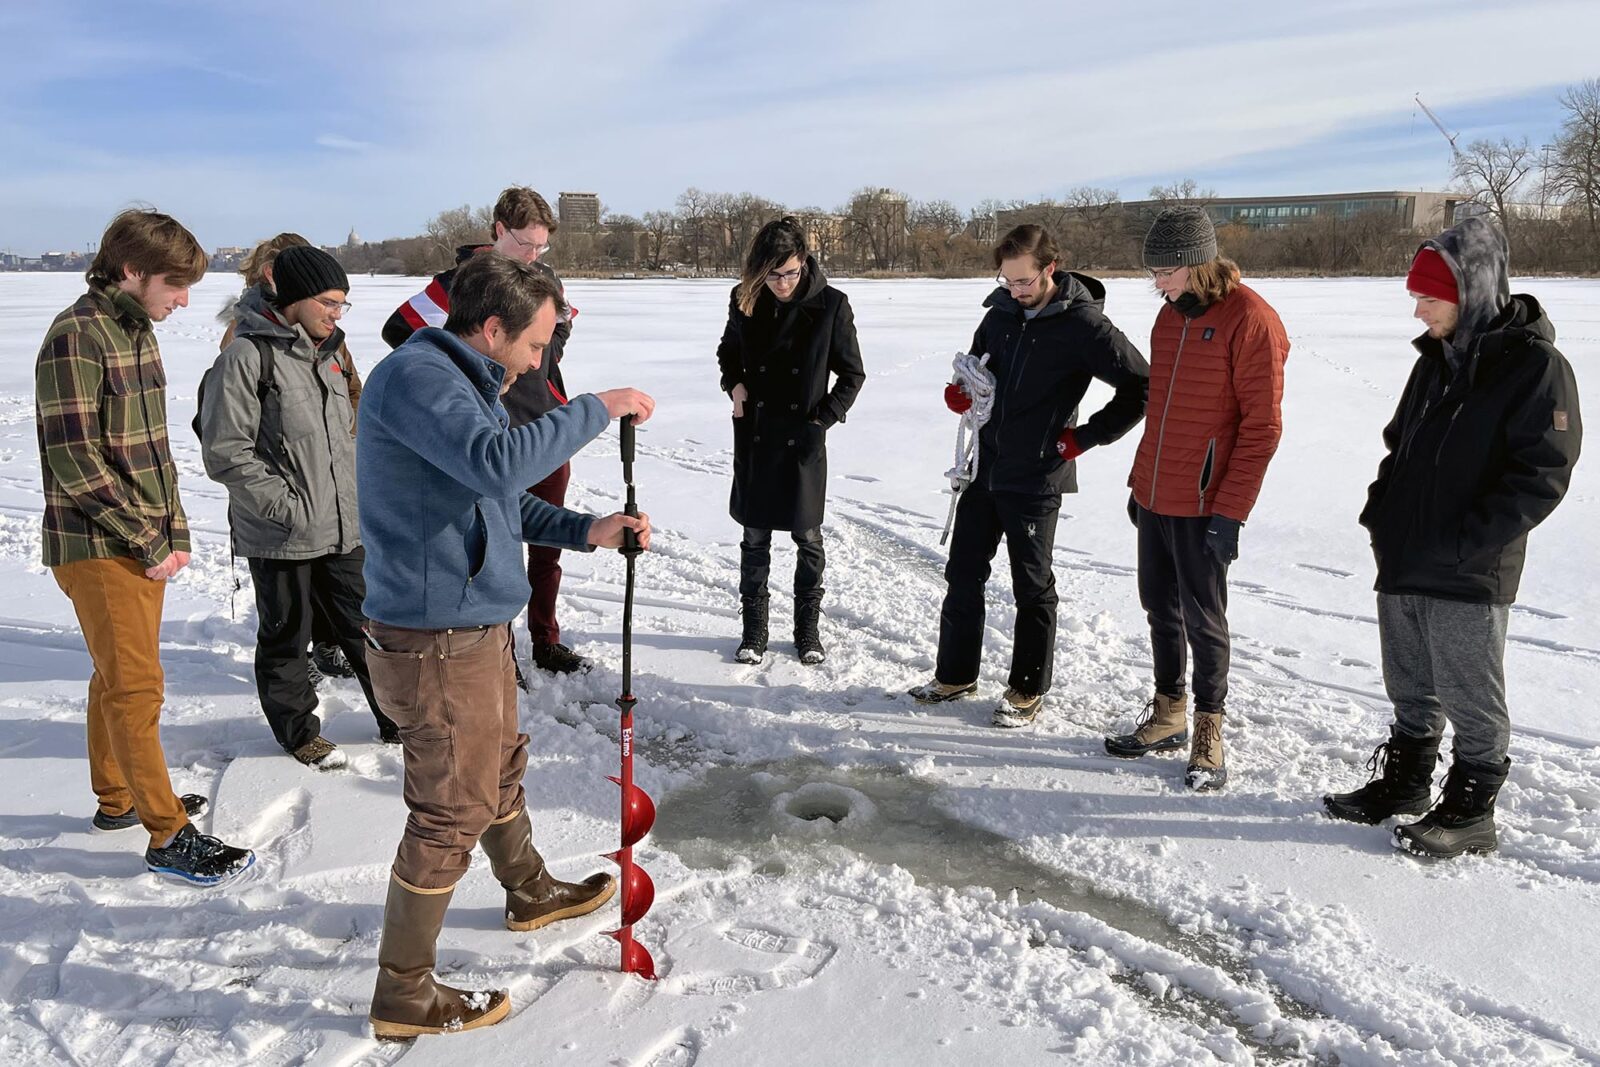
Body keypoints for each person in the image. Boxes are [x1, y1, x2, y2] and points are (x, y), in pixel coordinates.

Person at [358, 251, 654, 1039]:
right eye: (534, 347)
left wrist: (583, 530)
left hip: (472, 623)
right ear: (492, 329)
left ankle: (527, 888)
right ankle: (403, 992)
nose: (539, 363)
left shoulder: (463, 380)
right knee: (450, 808)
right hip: (432, 637)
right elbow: (496, 460)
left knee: (496, 765)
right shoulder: (419, 379)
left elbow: (493, 491)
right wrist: (594, 407)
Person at [1324, 216, 1581, 857]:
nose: (1418, 311)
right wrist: (1382, 513)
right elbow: (1400, 446)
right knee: (1409, 681)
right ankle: (1406, 784)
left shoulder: (1536, 367)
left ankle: (1471, 812)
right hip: (1407, 551)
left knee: (1470, 690)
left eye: (1429, 298)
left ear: (1472, 293)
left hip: (1472, 564)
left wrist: (1470, 539)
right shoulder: (1435, 363)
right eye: (1416, 297)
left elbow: (1542, 472)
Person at [35, 208, 254, 885]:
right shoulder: (78, 336)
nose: (184, 299)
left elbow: (154, 451)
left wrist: (175, 531)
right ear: (131, 271)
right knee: (137, 688)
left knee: (115, 677)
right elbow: (75, 459)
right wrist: (144, 536)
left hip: (142, 541)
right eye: (175, 283)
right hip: (97, 544)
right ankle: (167, 835)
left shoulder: (135, 332)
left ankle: (118, 799)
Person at [909, 225, 1149, 726]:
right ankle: (955, 674)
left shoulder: (1085, 326)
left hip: (1038, 474)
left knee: (1032, 586)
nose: (1015, 290)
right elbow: (977, 368)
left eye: (1023, 281)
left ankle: (1026, 689)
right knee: (963, 573)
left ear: (1049, 269)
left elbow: (1142, 386)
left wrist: (1086, 436)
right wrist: (961, 391)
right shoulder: (998, 313)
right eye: (1007, 280)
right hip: (986, 466)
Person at [1104, 207, 1290, 791]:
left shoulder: (1252, 321)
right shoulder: (1169, 320)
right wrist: (1141, 483)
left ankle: (1209, 728)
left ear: (1198, 263)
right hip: (1159, 493)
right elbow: (1159, 415)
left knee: (1204, 619)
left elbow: (1262, 428)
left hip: (1207, 502)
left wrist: (1231, 511)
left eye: (1165, 271)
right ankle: (1169, 713)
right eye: (1153, 272)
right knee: (1159, 605)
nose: (1156, 283)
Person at [200, 245, 397, 768]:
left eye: (342, 304)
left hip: (342, 525)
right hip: (281, 531)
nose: (337, 313)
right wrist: (285, 507)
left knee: (368, 628)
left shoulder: (331, 352)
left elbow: (348, 431)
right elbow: (225, 451)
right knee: (288, 636)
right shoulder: (247, 355)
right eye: (330, 302)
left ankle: (396, 717)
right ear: (295, 298)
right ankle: (297, 732)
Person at [381, 187, 588, 678]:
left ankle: (546, 639)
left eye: (541, 247)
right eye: (524, 244)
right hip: (487, 433)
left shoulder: (545, 279)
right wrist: (460, 371)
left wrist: (544, 349)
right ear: (498, 231)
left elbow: (562, 324)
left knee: (547, 546)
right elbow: (398, 330)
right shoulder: (457, 283)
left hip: (545, 424)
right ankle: (501, 650)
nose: (534, 256)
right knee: (496, 547)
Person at [716, 217, 866, 665]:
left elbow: (853, 374)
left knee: (808, 536)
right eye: (774, 274)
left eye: (791, 273)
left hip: (802, 437)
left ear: (805, 263)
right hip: (758, 434)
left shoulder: (832, 305)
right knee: (755, 535)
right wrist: (735, 385)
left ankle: (807, 631)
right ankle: (754, 631)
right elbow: (728, 352)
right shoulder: (745, 299)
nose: (782, 283)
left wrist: (822, 419)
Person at [221, 232, 362, 686]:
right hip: (285, 510)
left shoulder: (329, 337)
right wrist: (285, 504)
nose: (334, 310)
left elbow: (349, 391)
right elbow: (229, 435)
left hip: (332, 500)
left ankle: (330, 649)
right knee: (286, 616)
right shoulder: (247, 342)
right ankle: (297, 707)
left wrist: (346, 451)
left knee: (353, 609)